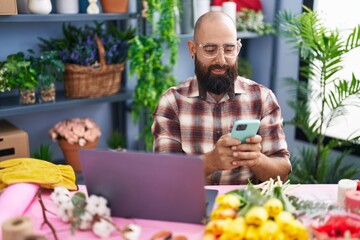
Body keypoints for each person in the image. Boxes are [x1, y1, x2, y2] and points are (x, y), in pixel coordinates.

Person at [151, 11, 291, 185]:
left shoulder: (262, 98)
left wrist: (257, 160)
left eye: (229, 49)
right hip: (191, 206)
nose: (221, 60)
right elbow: (165, 175)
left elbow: (283, 173)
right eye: (210, 49)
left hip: (245, 209)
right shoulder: (172, 103)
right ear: (192, 49)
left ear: (238, 48)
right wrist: (211, 162)